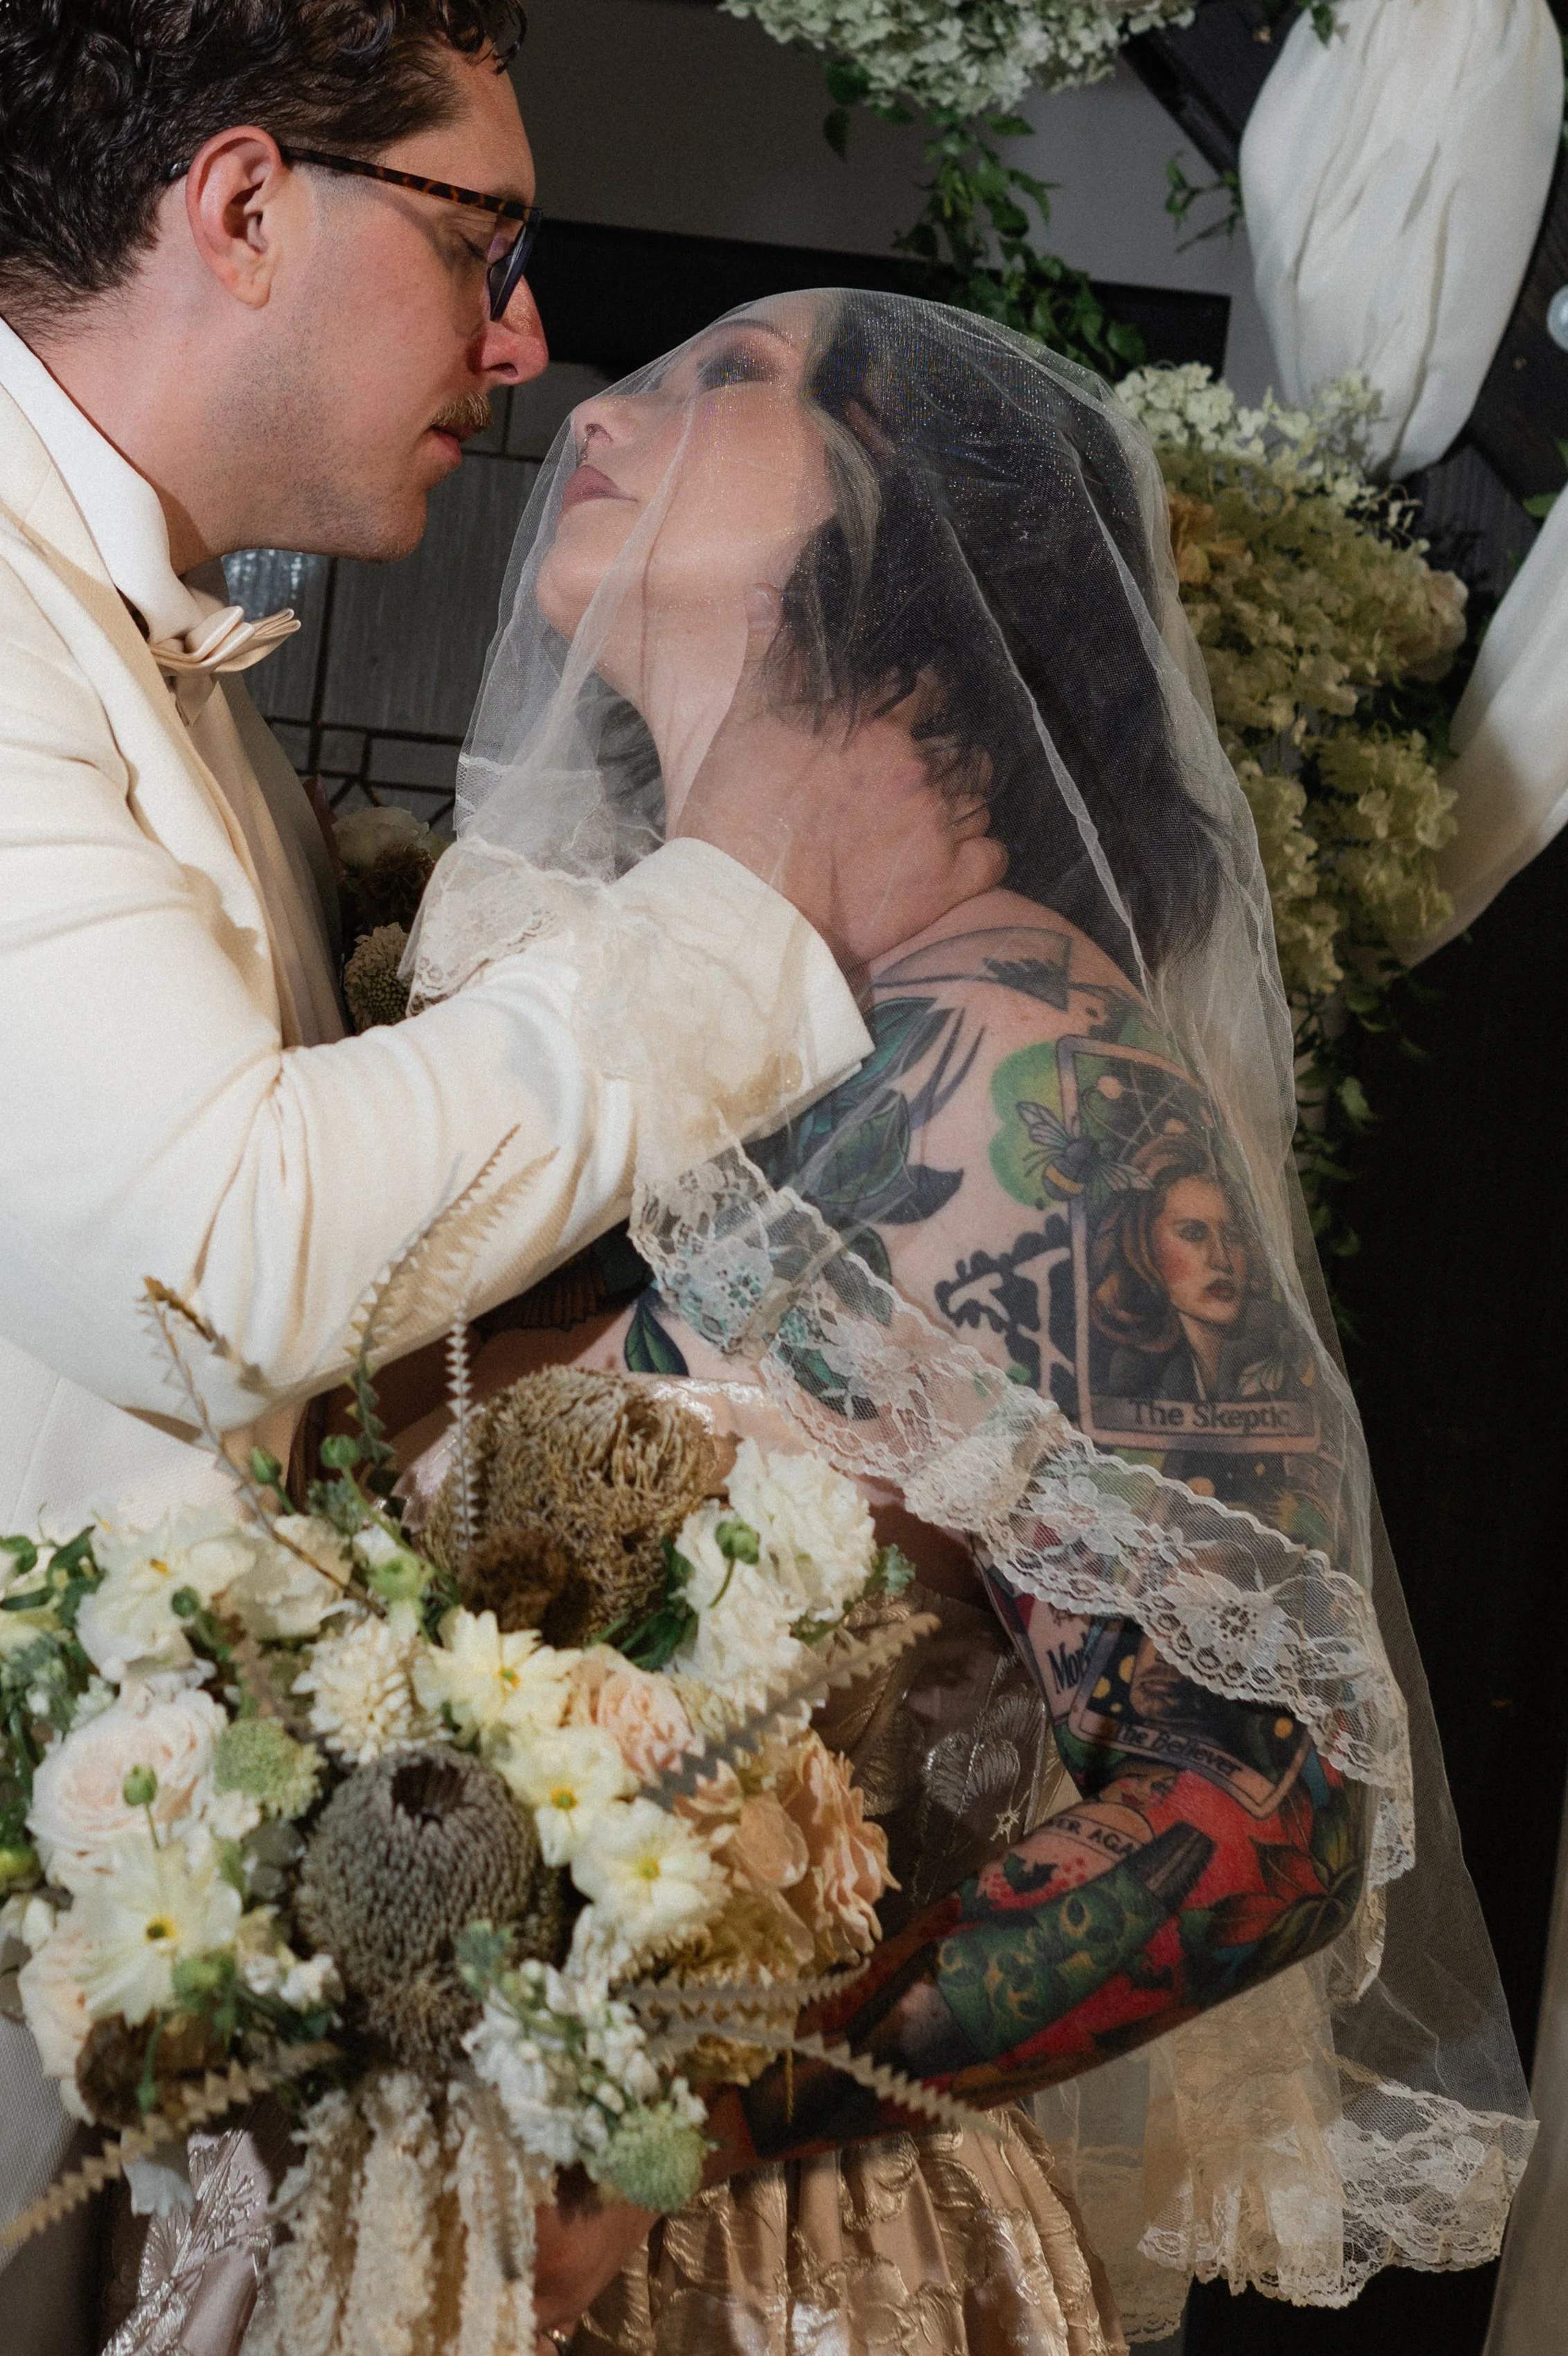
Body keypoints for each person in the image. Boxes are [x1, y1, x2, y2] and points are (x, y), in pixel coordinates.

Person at [391, 290, 1534, 2352]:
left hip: (724, 2256)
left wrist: (698, 2112)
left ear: (917, 538)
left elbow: (1265, 1804)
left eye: (734, 377)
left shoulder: (1039, 1081)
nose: (602, 405)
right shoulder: (649, 1031)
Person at [0, 13, 997, 2347]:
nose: (532, 345)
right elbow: (218, 1255)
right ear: (246, 209)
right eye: (485, 244)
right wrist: (747, 904)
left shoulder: (149, 641)